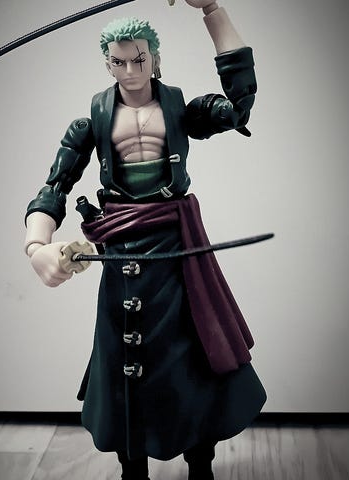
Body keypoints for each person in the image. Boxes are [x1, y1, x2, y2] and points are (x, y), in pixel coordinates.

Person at [24, 2, 266, 479]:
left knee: (195, 354)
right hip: (120, 247)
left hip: (178, 248)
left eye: (139, 59)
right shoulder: (92, 122)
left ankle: (201, 465)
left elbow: (238, 106)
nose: (131, 71)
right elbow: (55, 186)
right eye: (119, 62)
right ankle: (131, 468)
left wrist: (212, 9)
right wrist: (37, 246)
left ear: (155, 58)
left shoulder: (179, 109)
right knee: (123, 358)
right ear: (107, 64)